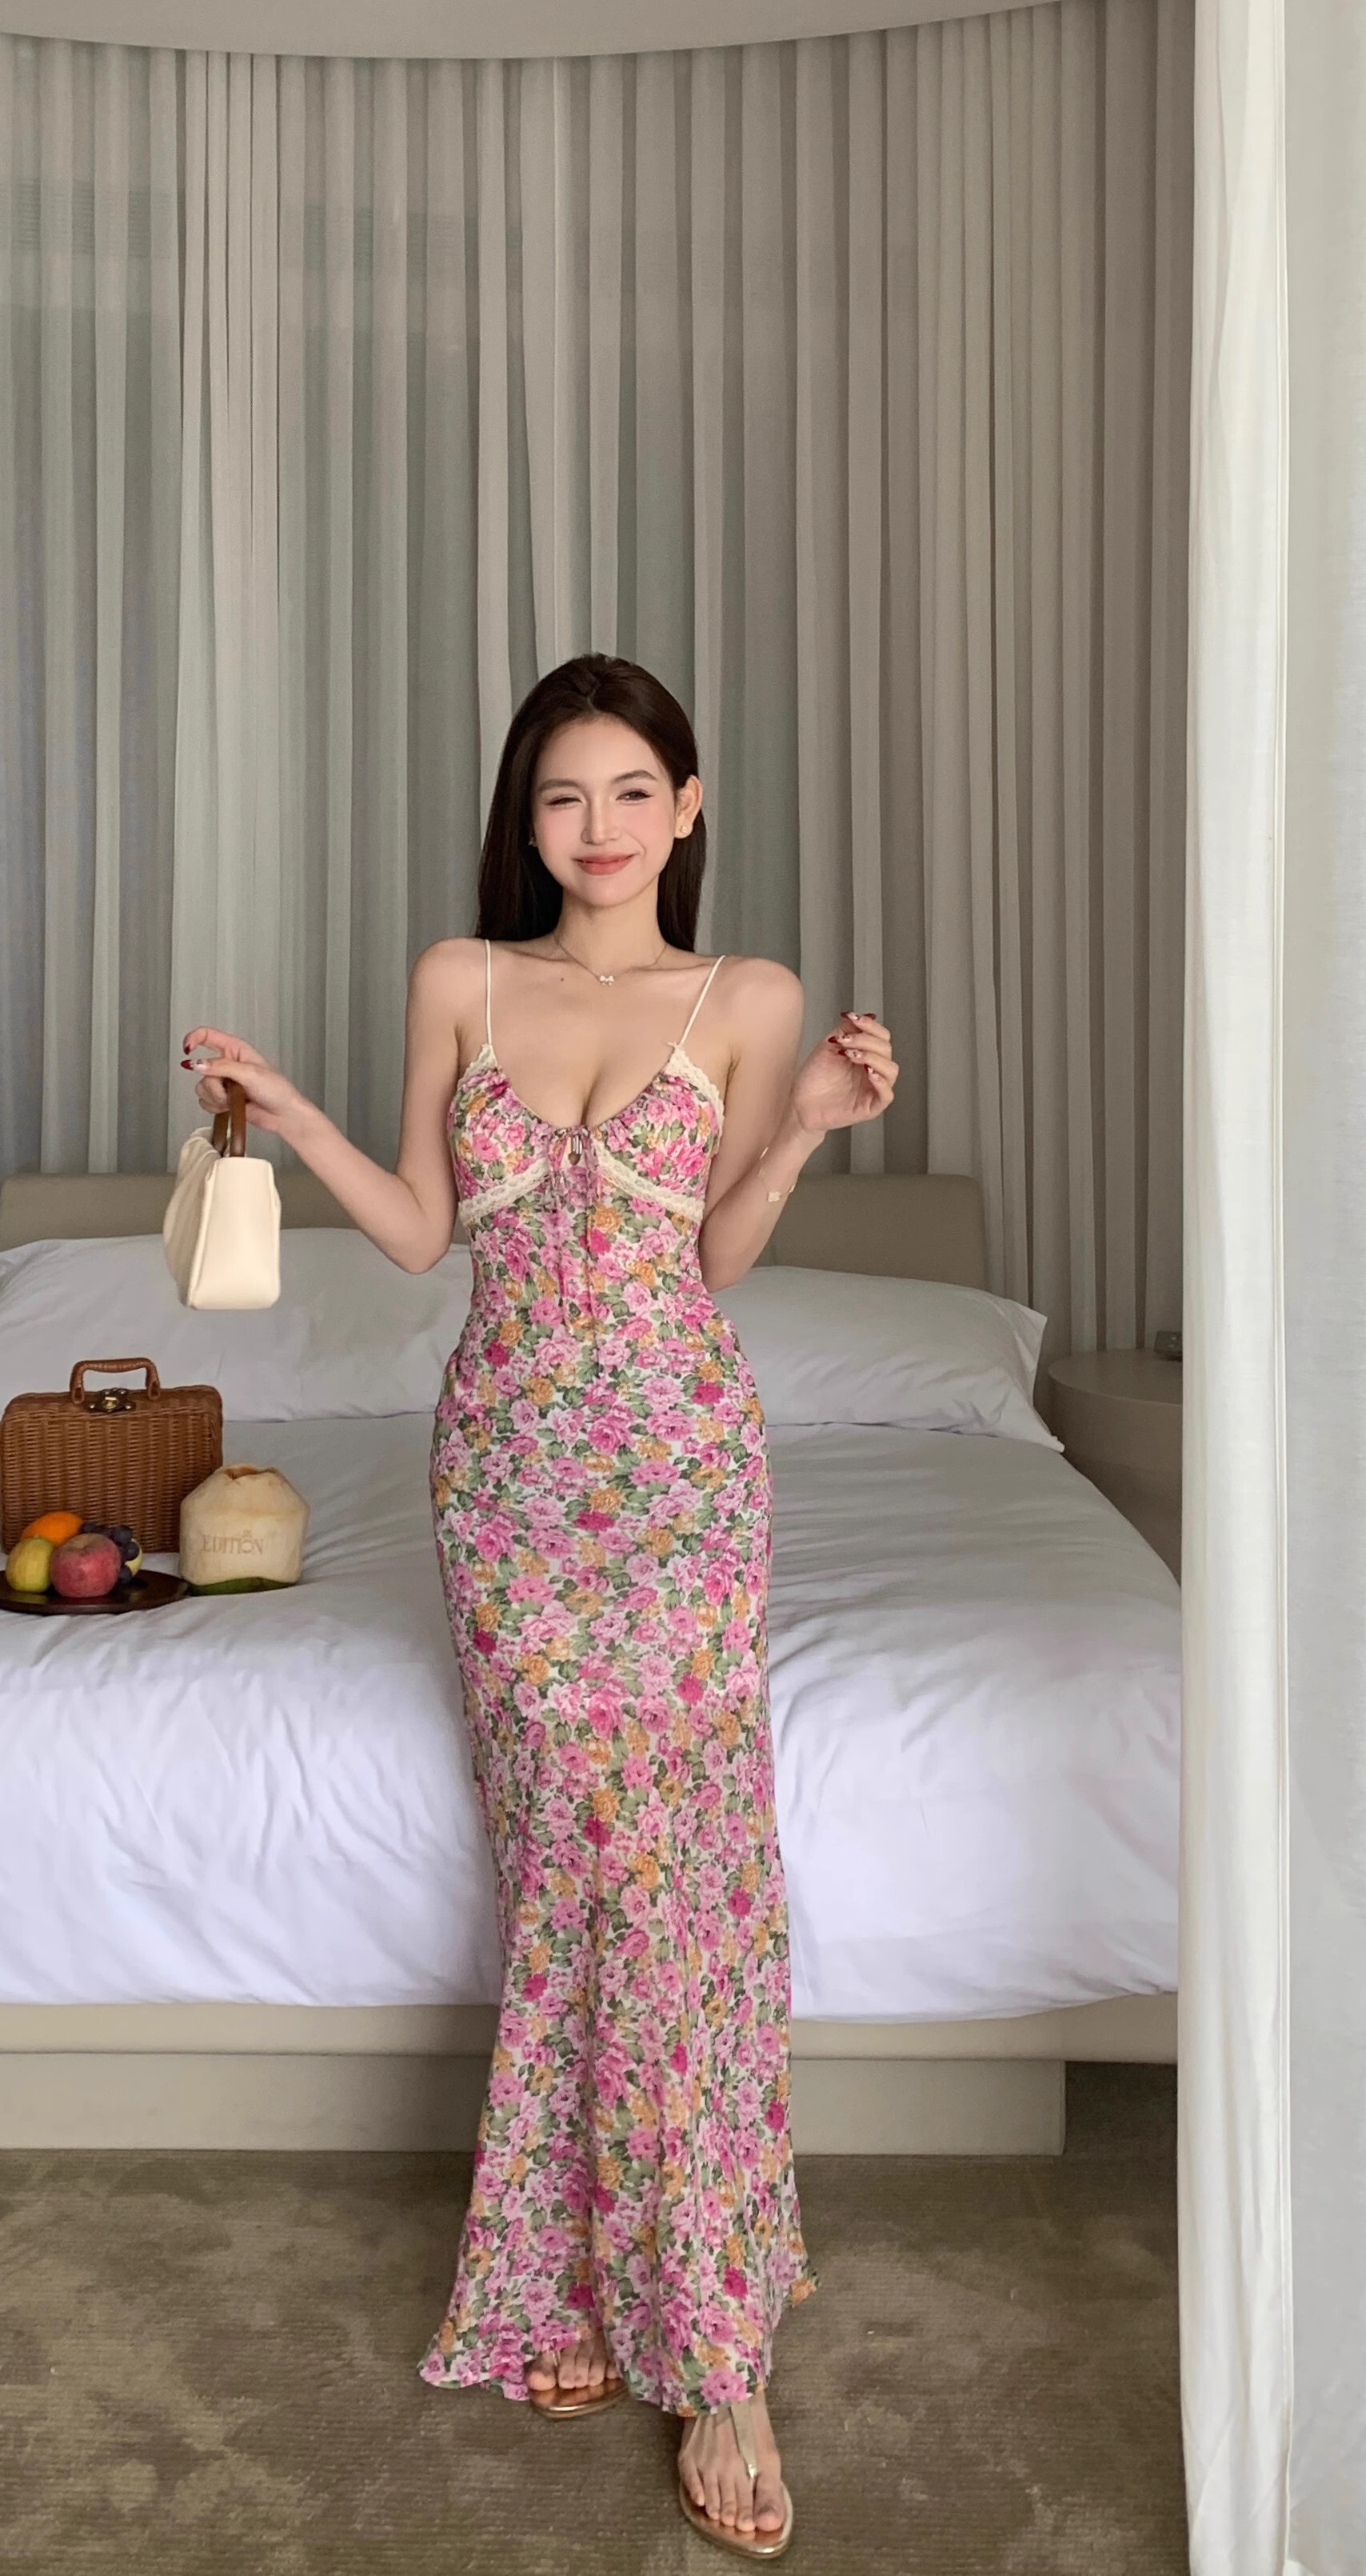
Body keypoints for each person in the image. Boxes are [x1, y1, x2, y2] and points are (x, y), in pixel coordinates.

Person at [181, 654, 897, 2559]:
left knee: (679, 1877)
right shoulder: (459, 979)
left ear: (685, 808)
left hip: (677, 1477)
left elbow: (715, 1259)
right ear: (528, 815)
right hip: (504, 1483)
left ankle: (718, 2348)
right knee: (572, 1869)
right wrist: (291, 1109)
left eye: (629, 792)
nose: (595, 827)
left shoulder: (747, 1000)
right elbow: (425, 1234)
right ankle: (574, 2266)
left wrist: (805, 1122)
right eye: (561, 795)